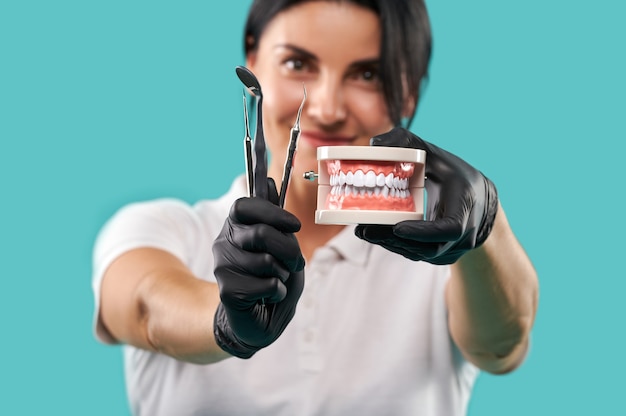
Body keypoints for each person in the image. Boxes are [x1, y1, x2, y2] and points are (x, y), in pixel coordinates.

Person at [92, 0, 539, 415]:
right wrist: (224, 320)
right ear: (254, 62)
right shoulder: (162, 227)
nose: (325, 108)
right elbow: (146, 309)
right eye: (297, 64)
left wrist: (486, 229)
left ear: (408, 94)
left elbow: (502, 348)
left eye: (368, 75)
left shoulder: (444, 265)